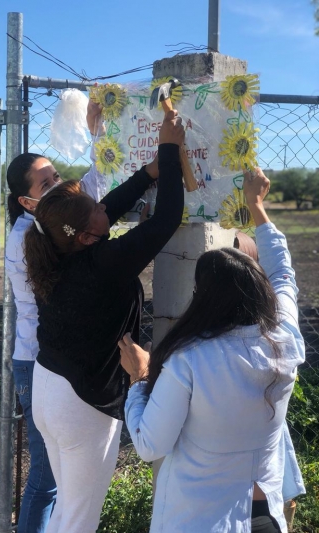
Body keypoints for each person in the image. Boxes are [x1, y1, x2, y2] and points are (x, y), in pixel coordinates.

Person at [23, 110, 185, 533]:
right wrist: (168, 149)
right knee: (78, 520)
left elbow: (105, 210)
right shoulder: (102, 263)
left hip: (50, 389)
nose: (103, 207)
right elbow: (166, 220)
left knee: (67, 512)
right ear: (82, 232)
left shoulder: (59, 247)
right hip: (82, 402)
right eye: (94, 206)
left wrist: (149, 172)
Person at [119, 168, 305, 533]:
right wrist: (256, 206)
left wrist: (140, 379)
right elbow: (283, 274)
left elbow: (149, 444)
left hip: (200, 520)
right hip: (266, 515)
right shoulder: (284, 335)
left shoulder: (190, 359)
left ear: (202, 298)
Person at [5, 101, 105, 533]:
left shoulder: (42, 226)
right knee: (45, 481)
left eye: (56, 177)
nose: (59, 185)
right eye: (46, 185)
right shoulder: (32, 235)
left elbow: (93, 192)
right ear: (27, 201)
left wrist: (97, 134)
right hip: (36, 361)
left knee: (53, 481)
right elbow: (93, 205)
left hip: (44, 360)